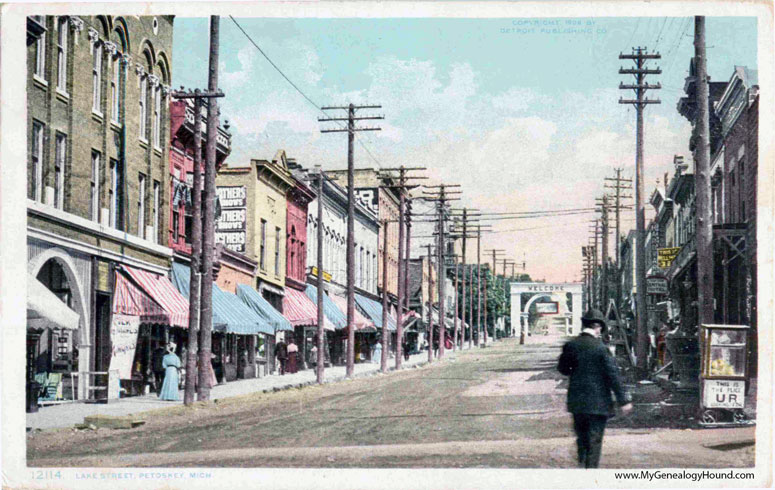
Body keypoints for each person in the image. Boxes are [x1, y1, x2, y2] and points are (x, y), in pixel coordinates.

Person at [558, 309, 633, 468]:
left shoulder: (571, 345)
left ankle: (582, 464)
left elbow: (563, 369)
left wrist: (576, 370)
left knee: (582, 438)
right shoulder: (601, 348)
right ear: (597, 327)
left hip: (577, 402)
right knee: (594, 440)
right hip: (598, 403)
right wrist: (623, 400)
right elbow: (612, 375)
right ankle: (590, 475)